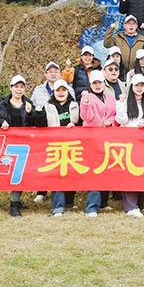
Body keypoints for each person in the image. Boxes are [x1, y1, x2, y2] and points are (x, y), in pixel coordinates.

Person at [0, 75, 37, 217]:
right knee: (4, 172)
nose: (19, 89)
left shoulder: (29, 104)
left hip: (24, 146)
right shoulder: (2, 105)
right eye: (16, 86)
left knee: (19, 173)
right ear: (10, 88)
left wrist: (31, 113)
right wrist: (0, 121)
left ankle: (15, 202)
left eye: (21, 87)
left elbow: (39, 122)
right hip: (5, 146)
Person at [35, 80, 81, 217]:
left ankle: (69, 201)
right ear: (53, 92)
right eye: (58, 90)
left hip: (72, 144)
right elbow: (40, 125)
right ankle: (58, 206)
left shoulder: (75, 105)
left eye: (63, 90)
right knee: (57, 176)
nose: (61, 93)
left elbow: (82, 122)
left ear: (68, 91)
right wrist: (38, 113)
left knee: (72, 173)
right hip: (54, 145)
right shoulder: (48, 106)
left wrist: (75, 125)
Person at [79, 70, 117, 211]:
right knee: (94, 171)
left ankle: (103, 202)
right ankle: (92, 206)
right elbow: (87, 117)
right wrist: (86, 102)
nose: (97, 85)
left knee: (106, 169)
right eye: (94, 83)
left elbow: (116, 114)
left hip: (107, 138)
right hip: (92, 139)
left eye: (99, 82)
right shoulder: (87, 97)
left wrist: (110, 121)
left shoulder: (110, 98)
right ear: (90, 85)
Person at [114, 75, 144, 218]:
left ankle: (139, 204)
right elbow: (121, 120)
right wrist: (121, 104)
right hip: (128, 142)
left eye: (142, 85)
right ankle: (130, 206)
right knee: (129, 172)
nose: (139, 88)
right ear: (131, 87)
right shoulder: (125, 102)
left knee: (140, 172)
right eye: (136, 85)